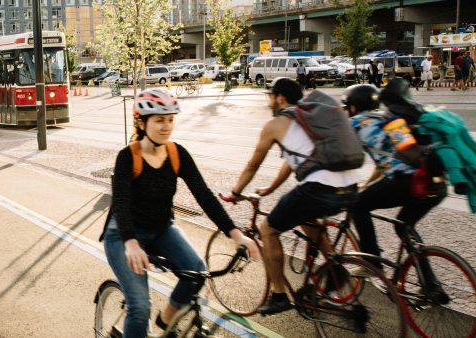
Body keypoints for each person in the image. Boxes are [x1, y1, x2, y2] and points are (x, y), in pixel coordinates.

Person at [100, 89, 258, 337]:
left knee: (196, 271)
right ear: (142, 123)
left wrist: (235, 234)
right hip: (123, 236)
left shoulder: (176, 154)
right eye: (159, 120)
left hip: (161, 229)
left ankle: (165, 321)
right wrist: (131, 243)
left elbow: (204, 196)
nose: (167, 126)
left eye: (171, 119)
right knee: (140, 307)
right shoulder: (128, 157)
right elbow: (120, 202)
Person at [228, 78, 362, 315]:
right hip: (350, 188)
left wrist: (236, 192)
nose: (269, 101)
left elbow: (252, 165)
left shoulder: (276, 124)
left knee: (268, 230)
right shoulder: (311, 119)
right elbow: (293, 162)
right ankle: (333, 266)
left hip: (320, 189)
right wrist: (269, 189)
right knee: (307, 217)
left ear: (280, 97)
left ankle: (279, 295)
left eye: (270, 96)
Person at [344, 82, 446, 272]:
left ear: (352, 107)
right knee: (404, 226)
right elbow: (391, 157)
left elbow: (347, 158)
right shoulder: (387, 118)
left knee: (357, 205)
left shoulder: (355, 123)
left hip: (409, 183)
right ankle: (431, 286)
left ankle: (372, 263)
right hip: (434, 179)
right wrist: (368, 183)